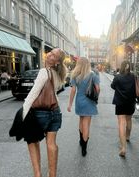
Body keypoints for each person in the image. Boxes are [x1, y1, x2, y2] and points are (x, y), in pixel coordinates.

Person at [22, 48, 67, 177]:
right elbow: (54, 94)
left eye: (53, 55)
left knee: (32, 141)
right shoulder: (58, 74)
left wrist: (23, 112)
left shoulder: (44, 72)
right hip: (55, 112)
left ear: (57, 61)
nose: (49, 54)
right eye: (50, 52)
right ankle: (52, 175)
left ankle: (37, 174)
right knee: (51, 143)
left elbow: (33, 94)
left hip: (41, 113)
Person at [67, 57, 100, 156]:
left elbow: (73, 90)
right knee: (86, 124)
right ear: (88, 64)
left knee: (81, 121)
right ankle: (84, 148)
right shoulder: (93, 75)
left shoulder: (75, 75)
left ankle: (81, 140)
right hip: (89, 102)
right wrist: (95, 97)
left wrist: (70, 104)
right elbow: (98, 89)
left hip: (79, 101)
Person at [111, 60, 139, 157]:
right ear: (130, 67)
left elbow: (112, 86)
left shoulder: (117, 77)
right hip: (130, 103)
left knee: (121, 123)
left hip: (120, 103)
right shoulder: (134, 77)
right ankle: (128, 137)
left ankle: (123, 147)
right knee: (129, 120)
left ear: (121, 67)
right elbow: (137, 88)